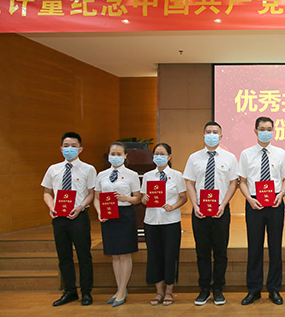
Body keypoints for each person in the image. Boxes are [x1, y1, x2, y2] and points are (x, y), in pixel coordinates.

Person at [184, 121, 239, 306]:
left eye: (215, 132)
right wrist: (195, 205)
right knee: (202, 252)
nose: (212, 135)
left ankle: (218, 289)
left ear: (221, 136)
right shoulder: (194, 158)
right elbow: (190, 183)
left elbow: (233, 183)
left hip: (221, 210)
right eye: (208, 132)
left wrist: (224, 204)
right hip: (200, 210)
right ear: (203, 135)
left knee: (220, 252)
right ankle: (204, 289)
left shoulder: (230, 158)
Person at [238, 117, 285, 306]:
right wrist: (249, 199)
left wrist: (281, 194)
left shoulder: (280, 153)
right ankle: (254, 290)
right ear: (255, 131)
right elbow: (242, 181)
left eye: (269, 129)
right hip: (254, 203)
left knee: (275, 247)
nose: (265, 132)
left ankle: (274, 289)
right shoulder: (246, 154)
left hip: (275, 202)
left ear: (273, 131)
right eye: (262, 129)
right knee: (254, 247)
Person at [41, 132, 96, 307]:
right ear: (61, 148)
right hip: (59, 218)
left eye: (73, 146)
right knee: (64, 256)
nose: (69, 149)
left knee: (84, 255)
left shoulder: (88, 169)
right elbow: (47, 192)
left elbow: (91, 193)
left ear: (80, 149)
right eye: (66, 146)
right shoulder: (53, 169)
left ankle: (86, 291)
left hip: (79, 217)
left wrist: (81, 206)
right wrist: (51, 207)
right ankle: (70, 291)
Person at [95, 142, 141, 307]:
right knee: (114, 254)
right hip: (108, 216)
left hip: (125, 215)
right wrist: (99, 212)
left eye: (119, 154)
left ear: (125, 156)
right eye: (112, 154)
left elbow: (138, 198)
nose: (115, 157)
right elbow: (97, 197)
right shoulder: (101, 175)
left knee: (124, 254)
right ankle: (119, 288)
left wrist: (126, 198)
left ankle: (122, 290)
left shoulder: (132, 175)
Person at [140, 143, 187, 306]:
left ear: (169, 156)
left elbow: (183, 197)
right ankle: (158, 292)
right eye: (156, 154)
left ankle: (169, 291)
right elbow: (143, 198)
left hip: (171, 221)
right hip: (151, 221)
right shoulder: (147, 176)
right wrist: (144, 199)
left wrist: (173, 206)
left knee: (170, 255)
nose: (158, 157)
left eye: (162, 154)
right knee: (154, 256)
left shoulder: (177, 175)